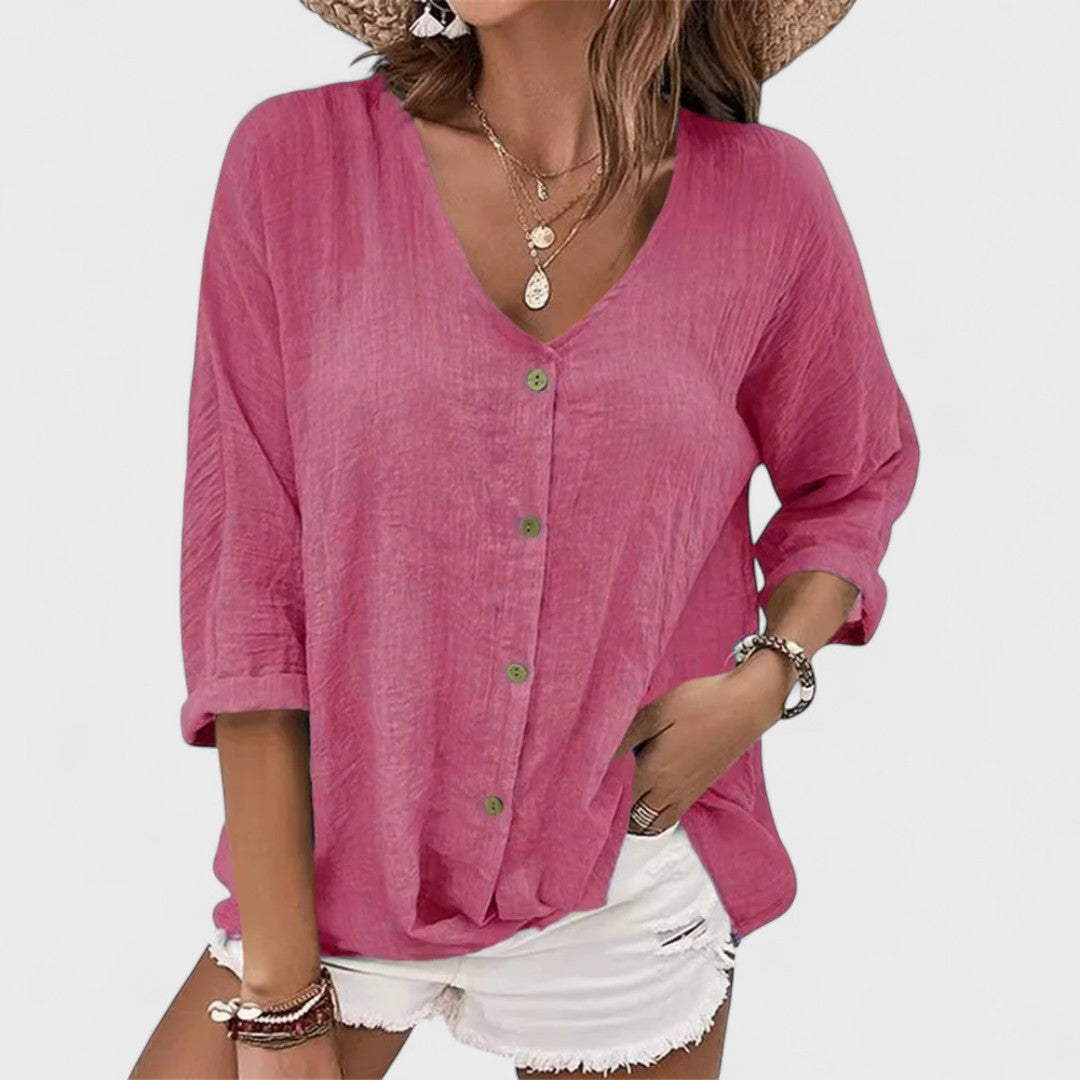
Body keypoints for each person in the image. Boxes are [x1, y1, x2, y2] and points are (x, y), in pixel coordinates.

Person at [131, 1, 919, 1077]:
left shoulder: (770, 199)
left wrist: (763, 681)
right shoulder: (295, 162)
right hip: (332, 870)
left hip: (627, 872)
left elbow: (853, 475)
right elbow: (249, 581)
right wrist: (277, 996)